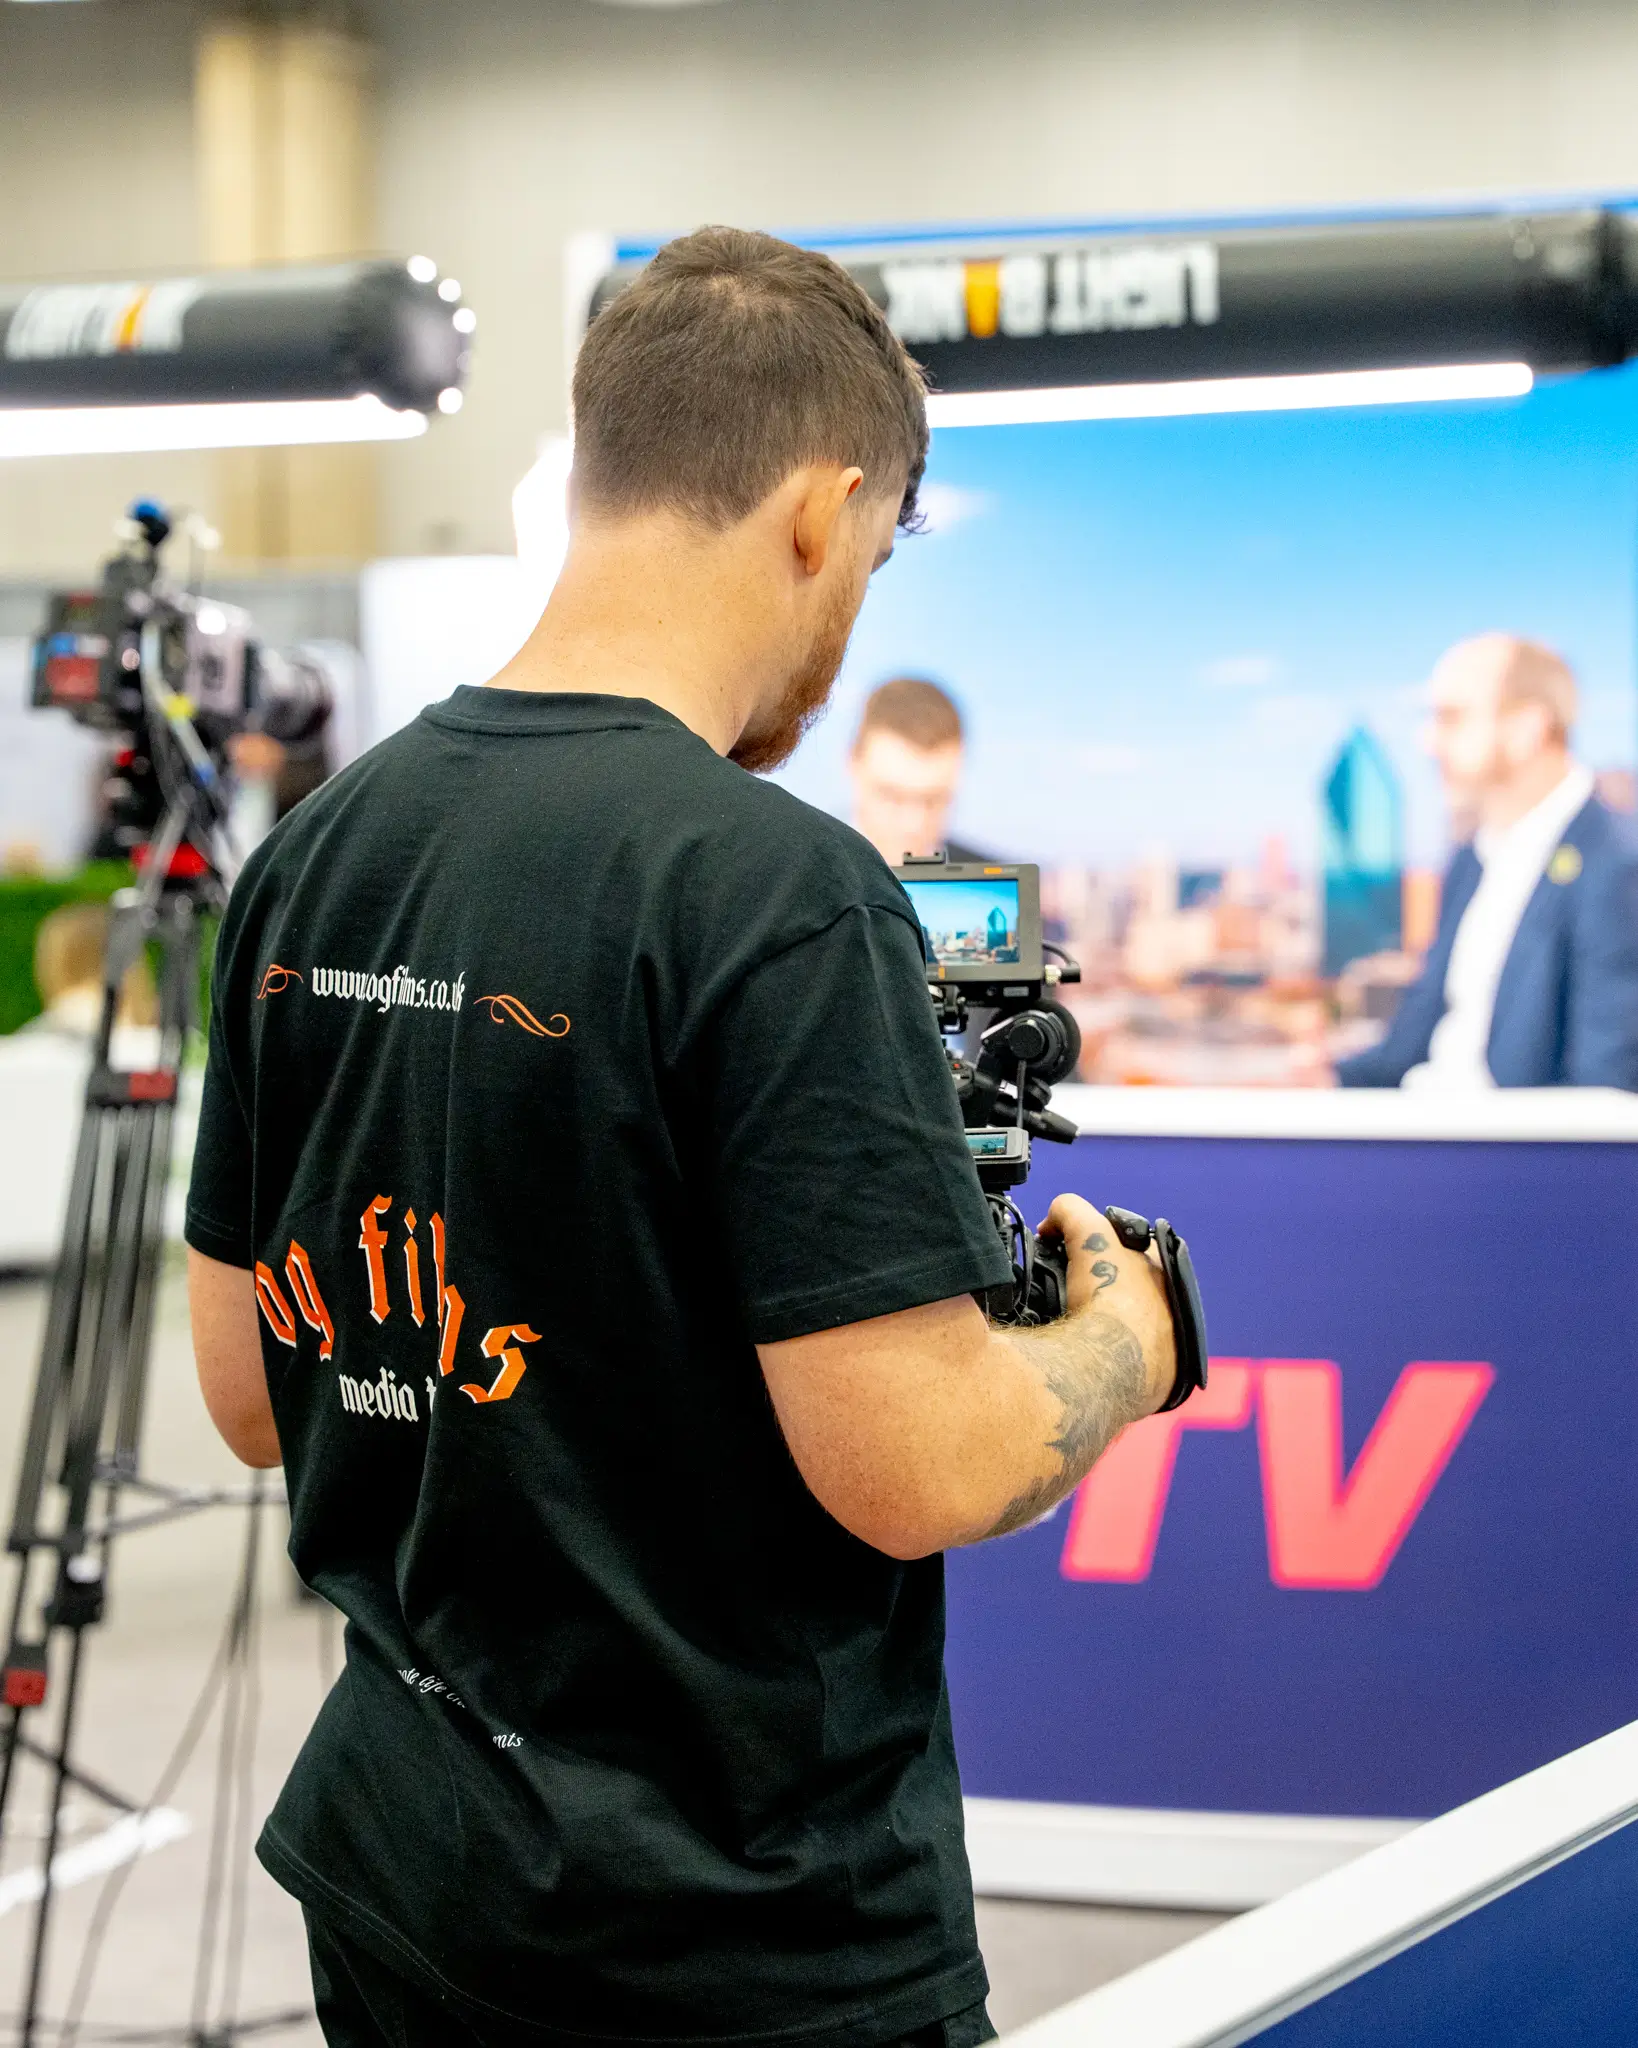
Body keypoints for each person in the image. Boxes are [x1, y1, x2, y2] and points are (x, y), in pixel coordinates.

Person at [185, 227, 1176, 2048]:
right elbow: (919, 1463)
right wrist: (1122, 1343)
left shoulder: (312, 861)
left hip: (405, 1882)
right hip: (727, 1939)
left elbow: (253, 1396)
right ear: (822, 510)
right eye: (868, 562)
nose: (849, 609)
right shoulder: (774, 892)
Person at [1337, 633, 1638, 1090]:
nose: (1427, 741)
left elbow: (1603, 1097)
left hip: (1504, 1155)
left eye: (1451, 718)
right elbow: (1414, 1039)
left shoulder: (1615, 866)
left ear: (1526, 728)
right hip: (1421, 1134)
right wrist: (1324, 1077)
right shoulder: (1470, 859)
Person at [847, 676, 984, 863]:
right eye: (892, 796)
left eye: (933, 800)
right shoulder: (799, 876)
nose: (912, 825)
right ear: (852, 762)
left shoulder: (1004, 885)